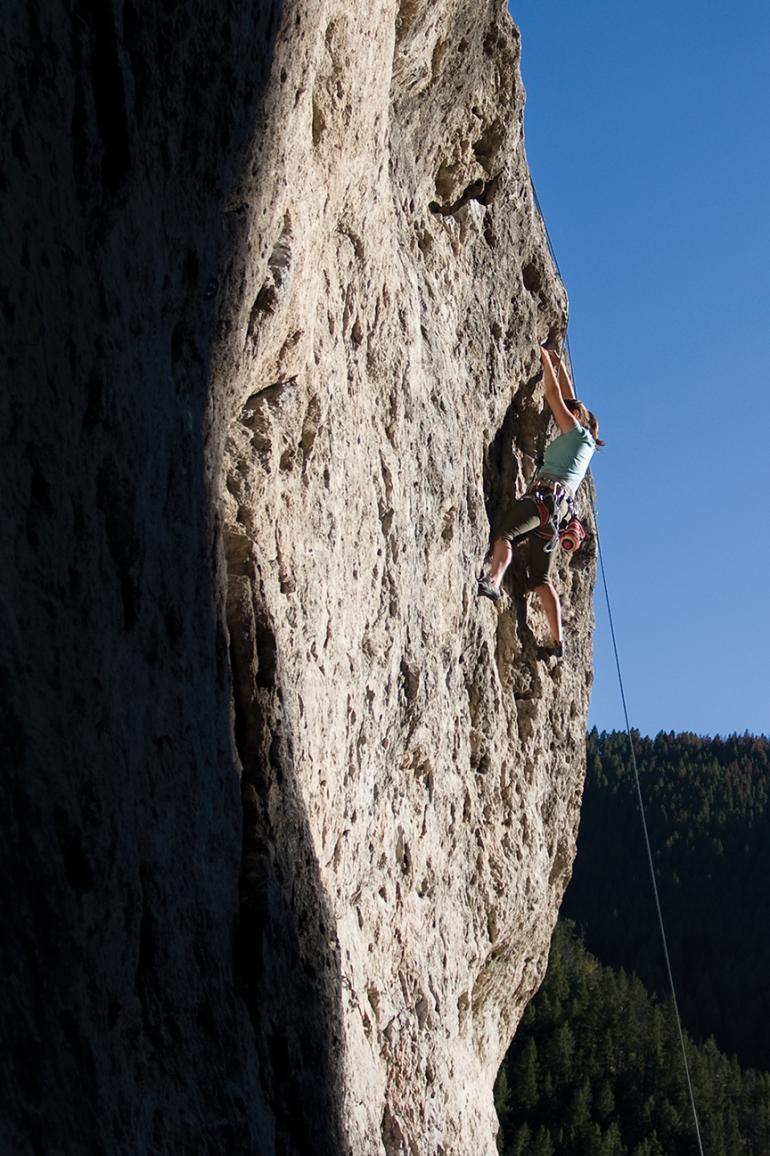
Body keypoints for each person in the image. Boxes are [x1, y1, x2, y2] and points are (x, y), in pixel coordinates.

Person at [477, 345, 603, 656]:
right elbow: (570, 400)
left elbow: (553, 397)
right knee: (541, 578)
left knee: (506, 534)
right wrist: (561, 367)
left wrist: (543, 356)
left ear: (577, 420)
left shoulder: (575, 433)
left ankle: (493, 580)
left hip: (542, 499)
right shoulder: (585, 445)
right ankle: (557, 642)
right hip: (557, 516)